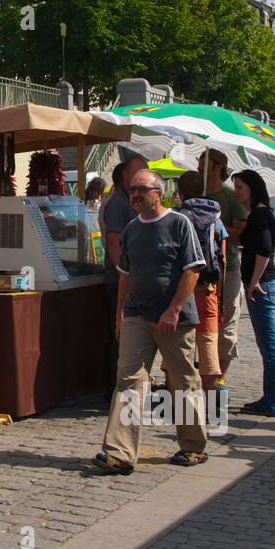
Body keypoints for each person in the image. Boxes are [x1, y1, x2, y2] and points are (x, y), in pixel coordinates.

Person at [90, 169, 208, 475]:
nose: (135, 195)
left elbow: (192, 270)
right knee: (128, 381)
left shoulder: (179, 223)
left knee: (182, 381)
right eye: (132, 190)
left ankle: (193, 446)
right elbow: (125, 277)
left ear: (159, 192)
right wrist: (121, 315)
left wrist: (174, 309)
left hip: (174, 318)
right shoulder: (131, 229)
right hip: (137, 316)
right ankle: (120, 452)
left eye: (142, 189)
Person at [233, 169, 275, 417]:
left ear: (252, 189)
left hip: (262, 285)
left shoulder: (258, 214)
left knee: (269, 346)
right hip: (268, 283)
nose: (236, 193)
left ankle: (273, 402)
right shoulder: (264, 212)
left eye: (240, 188)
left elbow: (266, 247)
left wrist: (254, 281)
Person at [99, 155, 148, 400]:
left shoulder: (131, 202)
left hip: (131, 280)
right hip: (119, 280)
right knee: (121, 335)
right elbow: (113, 242)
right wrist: (124, 276)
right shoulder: (119, 203)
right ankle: (116, 390)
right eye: (137, 174)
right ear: (126, 176)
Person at [175, 171, 228, 396]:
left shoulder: (177, 216)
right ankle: (208, 402)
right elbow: (222, 259)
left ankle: (178, 402)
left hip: (182, 289)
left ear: (180, 192)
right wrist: (220, 296)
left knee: (177, 347)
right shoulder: (217, 217)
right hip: (208, 288)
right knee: (208, 345)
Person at [198, 149, 247, 385]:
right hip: (198, 271)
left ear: (218, 166)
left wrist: (215, 227)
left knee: (226, 323)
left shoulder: (229, 198)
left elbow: (242, 235)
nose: (199, 167)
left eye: (203, 162)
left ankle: (219, 381)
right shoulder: (197, 195)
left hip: (228, 270)